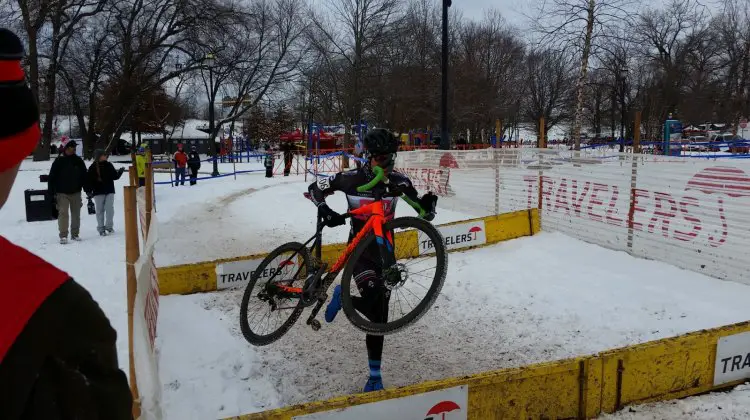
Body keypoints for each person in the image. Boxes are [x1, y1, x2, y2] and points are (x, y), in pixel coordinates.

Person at [0, 27, 133, 419]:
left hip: (88, 194)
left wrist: (98, 184)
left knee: (87, 214)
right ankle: (65, 232)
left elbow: (95, 176)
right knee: (69, 212)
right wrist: (70, 188)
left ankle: (76, 231)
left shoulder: (80, 161)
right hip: (71, 194)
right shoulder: (55, 317)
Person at [307, 128, 437, 392]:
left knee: (380, 316)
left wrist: (429, 206)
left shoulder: (399, 182)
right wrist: (326, 209)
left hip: (386, 254)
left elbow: (422, 212)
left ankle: (374, 375)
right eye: (380, 158)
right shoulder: (350, 179)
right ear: (369, 157)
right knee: (375, 303)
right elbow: (314, 189)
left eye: (390, 158)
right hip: (360, 254)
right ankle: (344, 301)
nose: (386, 164)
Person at [48, 140, 87, 244]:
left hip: (76, 191)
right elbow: (51, 177)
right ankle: (63, 235)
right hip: (62, 192)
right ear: (66, 148)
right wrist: (51, 192)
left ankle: (75, 234)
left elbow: (84, 176)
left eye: (74, 147)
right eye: (71, 147)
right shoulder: (59, 161)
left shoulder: (78, 161)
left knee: (76, 214)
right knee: (63, 213)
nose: (74, 149)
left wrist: (88, 190)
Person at [86, 149, 125, 236]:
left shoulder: (109, 165)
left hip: (109, 190)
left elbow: (115, 176)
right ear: (99, 156)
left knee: (110, 209)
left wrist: (119, 172)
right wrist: (89, 191)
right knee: (100, 210)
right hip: (98, 192)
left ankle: (109, 227)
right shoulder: (92, 167)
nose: (106, 156)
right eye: (104, 155)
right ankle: (101, 228)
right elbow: (89, 181)